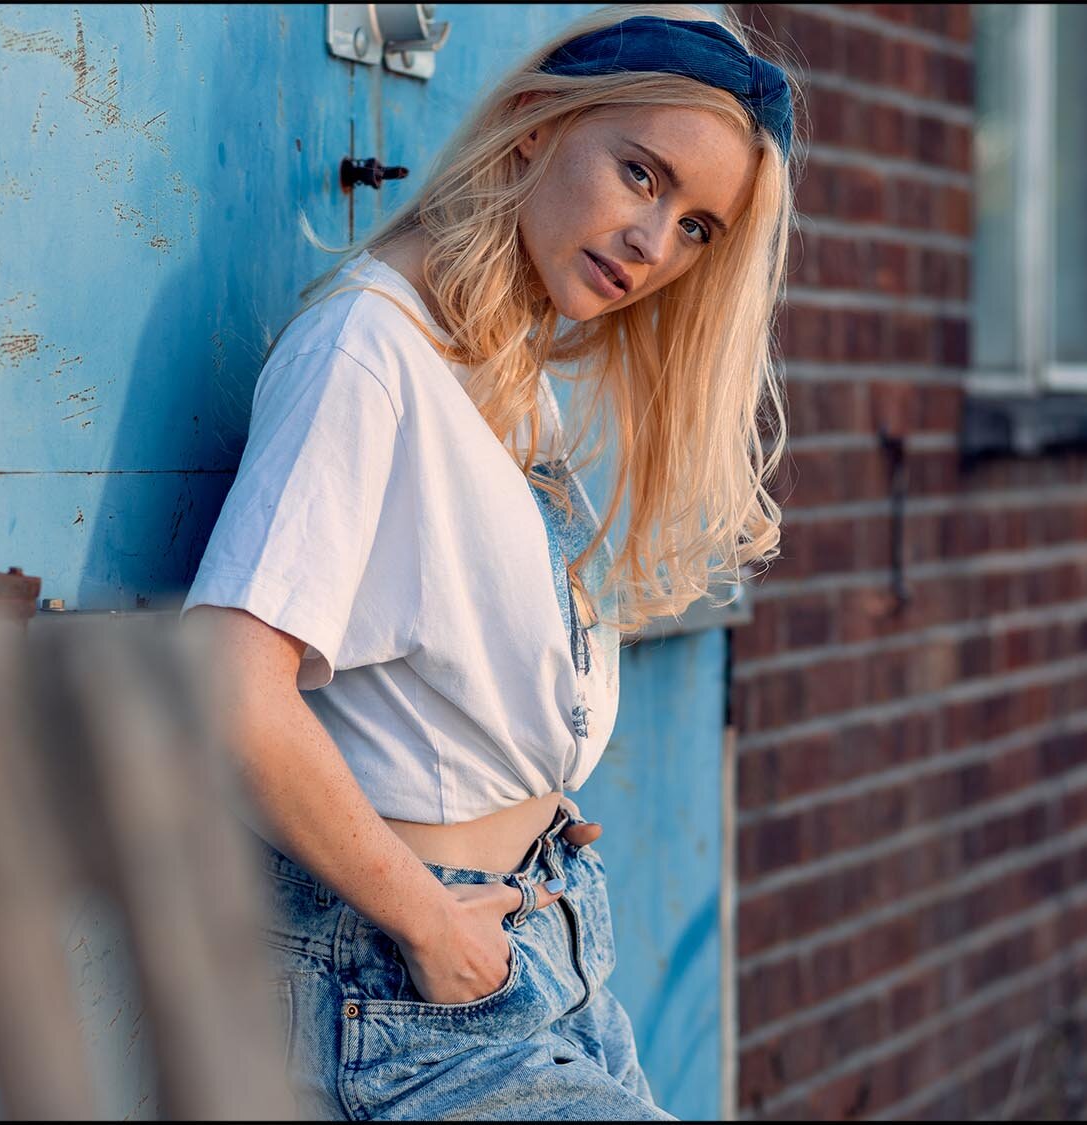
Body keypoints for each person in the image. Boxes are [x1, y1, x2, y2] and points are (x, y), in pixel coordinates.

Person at [179, 5, 794, 1118]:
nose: (655, 244)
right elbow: (227, 690)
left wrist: (522, 795)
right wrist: (423, 915)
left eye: (698, 226)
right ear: (528, 127)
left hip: (538, 945)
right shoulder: (366, 352)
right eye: (640, 174)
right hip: (402, 990)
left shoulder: (507, 380)